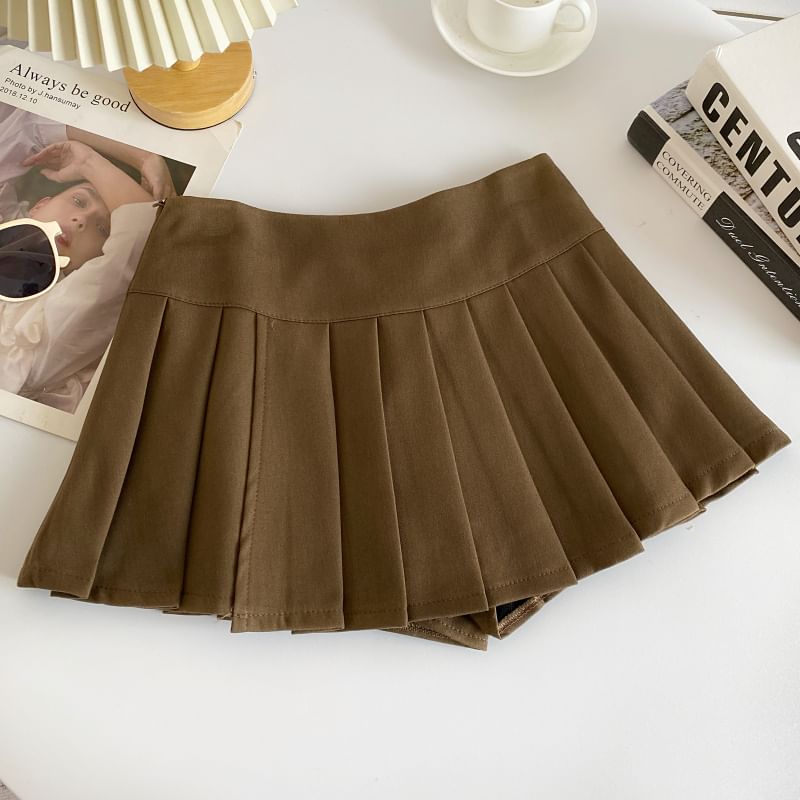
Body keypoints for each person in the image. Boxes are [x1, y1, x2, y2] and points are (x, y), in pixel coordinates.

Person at [0, 103, 176, 413]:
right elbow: (25, 128)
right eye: (79, 201)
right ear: (39, 205)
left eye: (103, 229)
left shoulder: (50, 316)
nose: (81, 220)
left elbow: (138, 241)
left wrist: (88, 161)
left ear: (97, 257)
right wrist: (144, 156)